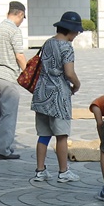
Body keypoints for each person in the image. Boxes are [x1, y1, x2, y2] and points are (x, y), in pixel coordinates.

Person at [31, 11, 83, 183]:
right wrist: (77, 84)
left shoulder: (48, 43)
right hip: (59, 96)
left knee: (43, 134)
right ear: (70, 30)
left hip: (42, 93)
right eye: (76, 32)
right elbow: (69, 73)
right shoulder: (66, 47)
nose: (76, 35)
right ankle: (63, 171)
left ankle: (40, 171)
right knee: (61, 135)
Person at [0, 1, 27, 160]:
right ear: (20, 14)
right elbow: (19, 56)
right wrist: (30, 76)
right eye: (23, 18)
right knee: (8, 115)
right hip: (7, 77)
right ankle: (3, 151)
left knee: (0, 115)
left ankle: (0, 147)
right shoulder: (14, 31)